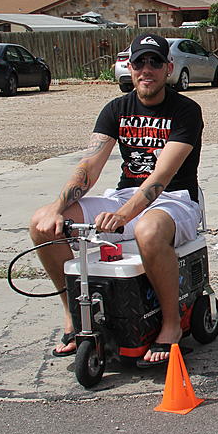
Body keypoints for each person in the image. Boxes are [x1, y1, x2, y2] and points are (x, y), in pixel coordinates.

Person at [29, 33, 204, 367]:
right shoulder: (116, 109)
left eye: (155, 62)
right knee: (41, 224)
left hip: (175, 200)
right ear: (130, 67)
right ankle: (73, 317)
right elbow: (89, 166)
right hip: (124, 196)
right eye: (139, 62)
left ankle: (170, 325)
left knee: (149, 230)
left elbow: (160, 179)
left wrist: (124, 214)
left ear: (168, 68)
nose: (146, 70)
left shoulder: (186, 111)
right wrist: (56, 208)